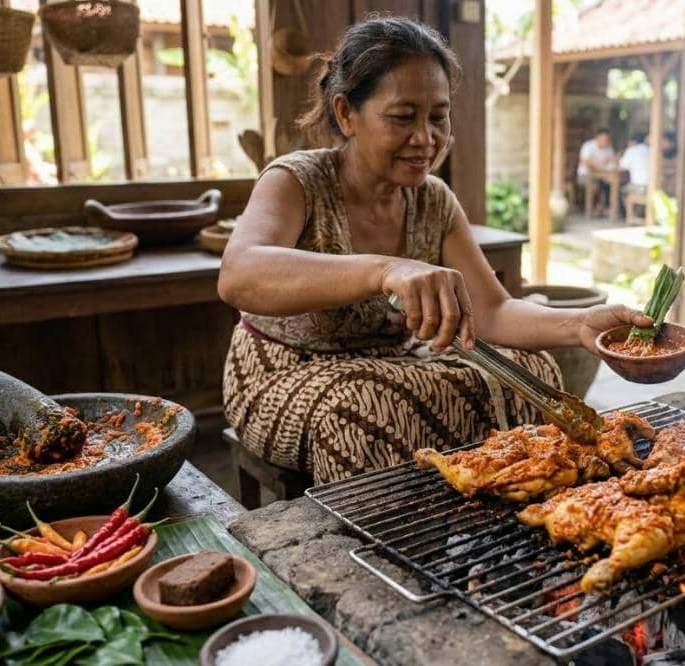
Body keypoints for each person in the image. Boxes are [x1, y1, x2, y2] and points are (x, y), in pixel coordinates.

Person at [218, 17, 652, 484]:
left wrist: (580, 325)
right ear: (346, 114)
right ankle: (385, 527)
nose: (425, 138)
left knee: (532, 371)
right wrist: (385, 269)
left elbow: (491, 311)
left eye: (438, 117)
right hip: (286, 370)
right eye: (403, 117)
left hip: (395, 366)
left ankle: (500, 507)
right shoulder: (296, 181)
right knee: (367, 412)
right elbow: (238, 275)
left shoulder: (433, 200)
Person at [577, 128, 616, 217]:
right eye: (604, 139)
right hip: (585, 175)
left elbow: (612, 160)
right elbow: (586, 162)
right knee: (595, 186)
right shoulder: (588, 146)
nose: (605, 141)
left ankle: (606, 209)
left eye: (607, 139)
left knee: (611, 184)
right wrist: (600, 166)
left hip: (603, 175)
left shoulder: (608, 148)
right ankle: (591, 209)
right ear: (597, 138)